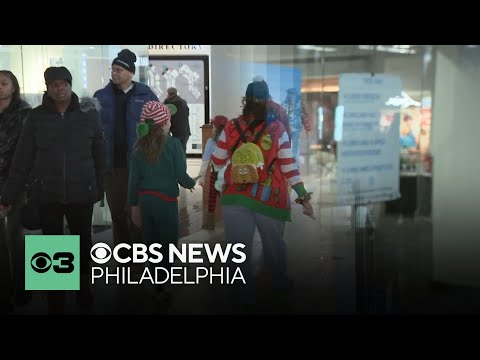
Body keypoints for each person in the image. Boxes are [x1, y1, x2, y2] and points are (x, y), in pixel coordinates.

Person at [0, 66, 105, 314]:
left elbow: (100, 153)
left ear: (70, 85)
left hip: (82, 192)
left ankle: (82, 286)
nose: (60, 88)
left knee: (82, 243)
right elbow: (22, 160)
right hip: (47, 193)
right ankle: (55, 295)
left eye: (64, 83)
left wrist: (99, 187)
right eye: (54, 84)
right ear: (47, 88)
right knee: (52, 244)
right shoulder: (36, 118)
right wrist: (8, 196)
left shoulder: (88, 115)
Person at [211, 79, 314, 313]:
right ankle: (279, 284)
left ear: (245, 101)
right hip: (270, 198)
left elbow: (217, 160)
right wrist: (303, 197)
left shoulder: (231, 127)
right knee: (274, 246)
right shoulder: (278, 129)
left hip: (235, 196)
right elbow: (289, 166)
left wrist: (223, 177)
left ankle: (239, 296)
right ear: (268, 102)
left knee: (238, 250)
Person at [128, 100, 196, 302]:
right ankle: (163, 282)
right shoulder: (173, 144)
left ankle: (156, 280)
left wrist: (134, 206)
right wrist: (191, 183)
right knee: (167, 243)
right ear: (164, 123)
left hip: (145, 201)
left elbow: (133, 180)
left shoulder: (138, 146)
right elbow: (180, 174)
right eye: (169, 121)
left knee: (151, 242)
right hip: (165, 201)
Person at [94, 49, 159, 249]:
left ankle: (139, 253)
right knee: (117, 213)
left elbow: (158, 127)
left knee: (136, 212)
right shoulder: (101, 96)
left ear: (130, 73)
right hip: (112, 165)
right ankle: (123, 253)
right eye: (113, 69)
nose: (114, 73)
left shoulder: (145, 94)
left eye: (119, 70)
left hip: (139, 164)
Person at [0, 70, 32, 313]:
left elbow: (26, 151)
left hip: (17, 181)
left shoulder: (24, 113)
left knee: (15, 237)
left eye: (3, 83)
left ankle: (22, 286)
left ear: (13, 86)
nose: (0, 88)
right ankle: (5, 288)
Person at [196, 115, 228, 229]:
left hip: (215, 174)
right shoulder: (230, 141)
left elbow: (205, 160)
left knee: (212, 199)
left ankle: (210, 224)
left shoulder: (211, 141)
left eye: (213, 125)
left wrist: (201, 178)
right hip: (227, 175)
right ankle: (229, 224)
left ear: (215, 127)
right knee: (227, 200)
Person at [282, 87, 311, 164]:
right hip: (286, 129)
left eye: (291, 94)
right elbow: (280, 116)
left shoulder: (299, 105)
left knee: (295, 145)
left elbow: (304, 116)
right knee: (286, 144)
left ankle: (295, 160)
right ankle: (287, 159)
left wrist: (307, 127)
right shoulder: (284, 104)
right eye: (288, 94)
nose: (289, 96)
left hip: (296, 128)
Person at [163, 87, 190, 154]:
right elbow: (187, 114)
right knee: (182, 152)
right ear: (176, 93)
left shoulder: (165, 104)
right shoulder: (183, 102)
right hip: (184, 130)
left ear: (168, 94)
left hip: (171, 131)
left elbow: (165, 118)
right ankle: (183, 164)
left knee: (171, 153)